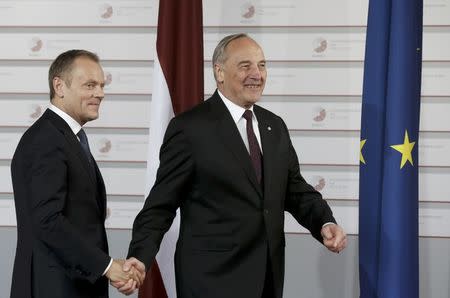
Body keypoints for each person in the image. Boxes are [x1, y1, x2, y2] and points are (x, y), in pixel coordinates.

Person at [124, 34, 347, 298]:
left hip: (267, 279)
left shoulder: (274, 126)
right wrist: (139, 256)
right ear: (219, 72)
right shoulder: (190, 129)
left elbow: (294, 189)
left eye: (262, 65)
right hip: (211, 281)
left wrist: (324, 221)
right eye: (245, 66)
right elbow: (160, 206)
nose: (257, 74)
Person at [10, 49, 145, 298]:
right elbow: (48, 221)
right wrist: (106, 267)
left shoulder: (65, 137)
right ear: (59, 86)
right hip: (53, 288)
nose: (100, 94)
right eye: (90, 85)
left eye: (102, 86)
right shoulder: (46, 139)